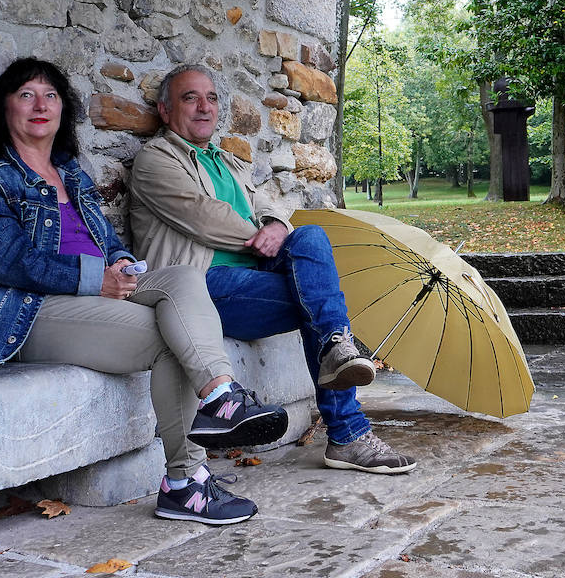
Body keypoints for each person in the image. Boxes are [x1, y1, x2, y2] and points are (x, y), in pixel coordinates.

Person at [0, 57, 289, 527]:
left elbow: (104, 241)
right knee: (171, 340)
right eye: (26, 95)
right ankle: (185, 482)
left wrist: (122, 264)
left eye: (50, 96)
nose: (40, 105)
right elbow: (8, 261)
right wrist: (96, 279)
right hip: (26, 314)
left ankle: (220, 396)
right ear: (4, 108)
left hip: (94, 296)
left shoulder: (70, 175)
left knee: (183, 278)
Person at [128, 64, 417, 474]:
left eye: (211, 98)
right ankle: (348, 433)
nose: (204, 107)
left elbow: (270, 206)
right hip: (200, 286)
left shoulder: (226, 161)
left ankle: (336, 347)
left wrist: (279, 225)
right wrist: (261, 235)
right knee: (319, 299)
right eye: (190, 98)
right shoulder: (156, 159)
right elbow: (203, 217)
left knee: (311, 236)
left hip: (253, 277)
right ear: (165, 109)